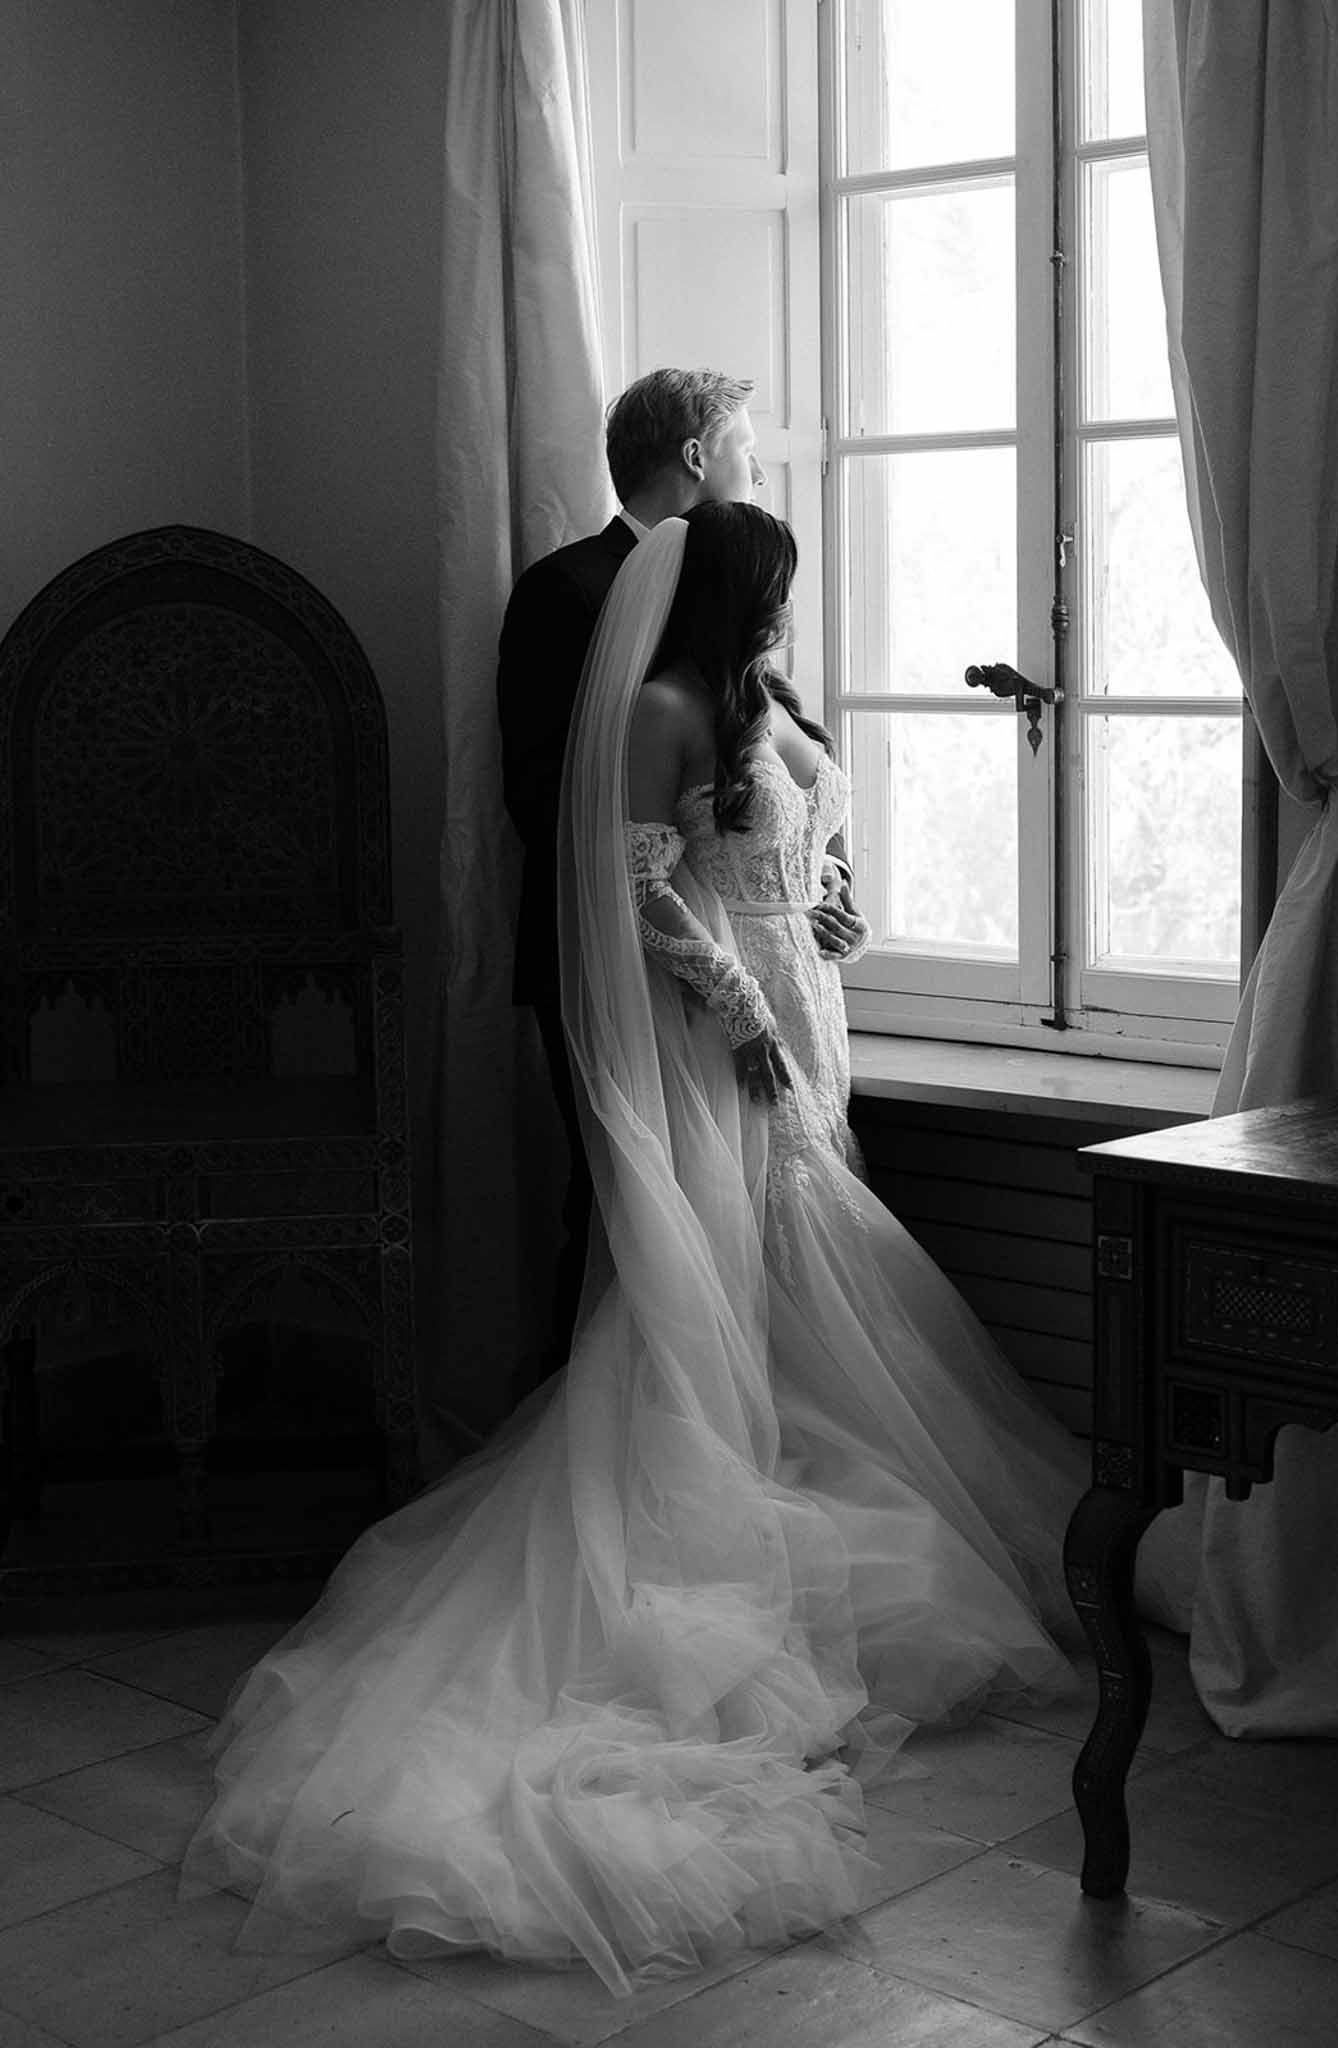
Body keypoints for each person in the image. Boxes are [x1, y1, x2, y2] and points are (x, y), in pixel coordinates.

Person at [184, 505, 1089, 1998]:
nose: (792, 611)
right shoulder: (664, 706)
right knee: (732, 1271)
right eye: (777, 589)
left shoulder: (766, 704)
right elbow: (640, 880)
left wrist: (832, 913)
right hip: (715, 1023)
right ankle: (729, 1507)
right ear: (731, 592)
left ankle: (791, 1471)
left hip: (798, 999)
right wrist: (738, 1012)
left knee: (796, 1270)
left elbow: (798, 839)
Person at [497, 368, 853, 1381]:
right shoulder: (566, 594)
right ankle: (611, 1446)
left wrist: (816, 881)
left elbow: (777, 760)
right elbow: (553, 802)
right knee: (631, 1215)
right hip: (622, 965)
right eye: (744, 445)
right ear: (697, 456)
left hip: (765, 958)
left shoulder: (728, 590)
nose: (753, 466)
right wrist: (704, 973)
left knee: (761, 1222)